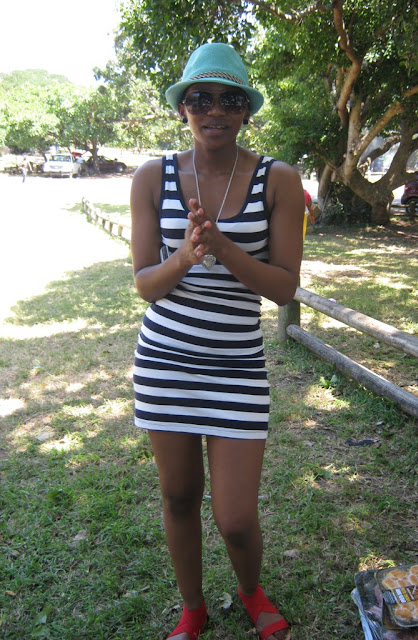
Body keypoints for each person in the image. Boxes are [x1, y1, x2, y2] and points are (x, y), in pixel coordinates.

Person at [130, 42, 304, 640]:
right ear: (182, 106)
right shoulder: (151, 177)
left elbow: (283, 288)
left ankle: (251, 592)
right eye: (200, 98)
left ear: (246, 110)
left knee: (234, 517)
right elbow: (145, 285)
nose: (214, 110)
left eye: (230, 100)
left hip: (236, 366)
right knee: (179, 497)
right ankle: (193, 607)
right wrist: (185, 256)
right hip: (165, 363)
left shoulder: (278, 179)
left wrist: (223, 247)